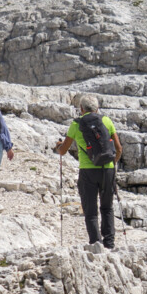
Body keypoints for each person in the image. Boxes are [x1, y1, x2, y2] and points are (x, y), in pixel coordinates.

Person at [54, 94, 121, 250]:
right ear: (97, 108)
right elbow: (119, 148)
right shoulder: (106, 121)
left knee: (90, 211)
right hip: (107, 170)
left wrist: (58, 146)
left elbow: (63, 150)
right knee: (107, 207)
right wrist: (112, 163)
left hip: (87, 171)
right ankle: (109, 244)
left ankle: (96, 244)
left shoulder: (76, 124)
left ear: (81, 109)